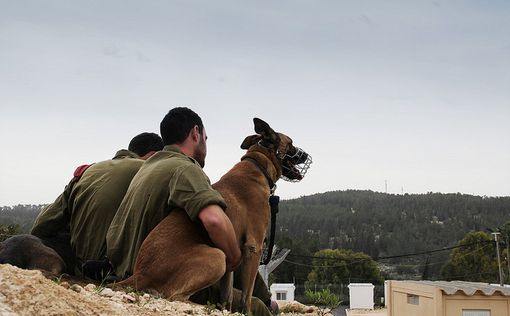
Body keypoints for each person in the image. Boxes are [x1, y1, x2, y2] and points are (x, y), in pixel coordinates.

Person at [106, 108, 273, 315]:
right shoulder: (186, 169)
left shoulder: (146, 168)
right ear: (195, 133)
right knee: (257, 307)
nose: (205, 144)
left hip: (133, 270)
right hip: (166, 274)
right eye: (205, 137)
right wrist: (232, 257)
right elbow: (214, 220)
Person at [31, 132, 163, 277]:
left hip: (77, 264)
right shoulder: (149, 171)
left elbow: (42, 224)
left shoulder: (89, 171)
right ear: (153, 156)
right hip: (114, 270)